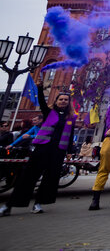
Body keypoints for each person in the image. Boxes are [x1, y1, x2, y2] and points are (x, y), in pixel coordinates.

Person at [1, 74, 77, 216]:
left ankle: (38, 204)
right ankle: (10, 205)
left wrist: (69, 151)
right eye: (61, 99)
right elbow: (42, 101)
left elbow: (70, 135)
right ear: (56, 101)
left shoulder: (71, 118)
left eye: (66, 100)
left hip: (58, 151)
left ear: (69, 102)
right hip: (43, 148)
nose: (63, 101)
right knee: (28, 177)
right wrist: (40, 87)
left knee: (50, 178)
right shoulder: (49, 113)